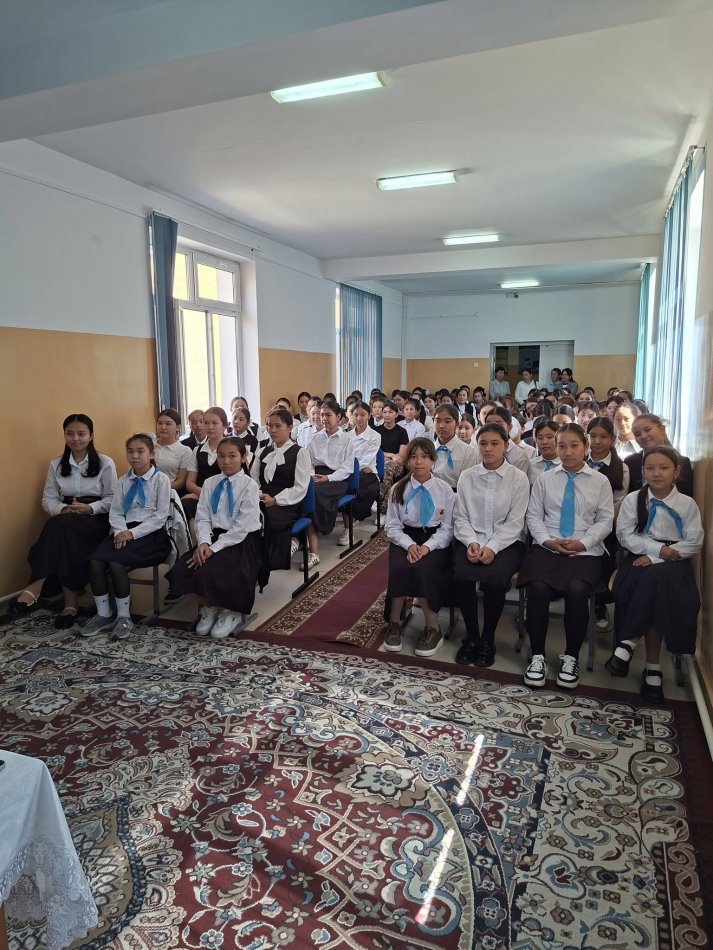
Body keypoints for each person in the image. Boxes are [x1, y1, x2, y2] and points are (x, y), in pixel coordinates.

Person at [517, 423, 614, 690]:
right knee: (538, 587)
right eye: (562, 446)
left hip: (586, 549)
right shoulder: (545, 479)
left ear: (586, 447)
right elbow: (534, 516)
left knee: (577, 589)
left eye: (574, 446)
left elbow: (605, 520)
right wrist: (547, 540)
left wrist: (583, 543)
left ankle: (571, 656)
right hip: (548, 545)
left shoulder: (600, 481)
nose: (567, 452)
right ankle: (537, 656)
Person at [605, 446, 704, 703]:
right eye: (650, 468)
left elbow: (694, 542)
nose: (656, 473)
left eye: (663, 468)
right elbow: (625, 536)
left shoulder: (687, 504)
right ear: (643, 471)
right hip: (638, 558)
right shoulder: (633, 499)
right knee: (652, 586)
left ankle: (628, 642)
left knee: (654, 580)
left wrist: (658, 557)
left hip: (674, 563)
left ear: (676, 471)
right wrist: (656, 550)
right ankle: (653, 669)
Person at [8, 414, 117, 628]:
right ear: (64, 435)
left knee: (59, 527)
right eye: (70, 433)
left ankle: (36, 588)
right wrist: (63, 508)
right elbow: (48, 499)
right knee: (63, 532)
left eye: (81, 434)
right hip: (67, 518)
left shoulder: (105, 462)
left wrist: (89, 508)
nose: (75, 439)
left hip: (96, 519)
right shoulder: (56, 464)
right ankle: (69, 606)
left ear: (91, 436)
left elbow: (113, 499)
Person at [166, 437, 262, 639]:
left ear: (243, 457)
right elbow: (203, 518)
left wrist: (213, 549)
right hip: (212, 538)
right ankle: (211, 605)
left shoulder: (249, 486)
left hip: (241, 540)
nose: (226, 461)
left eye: (232, 456)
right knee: (180, 572)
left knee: (210, 572)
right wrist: (203, 543)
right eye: (221, 456)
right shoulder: (210, 483)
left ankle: (231, 610)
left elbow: (240, 528)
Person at [453, 423, 529, 667]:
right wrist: (472, 542)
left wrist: (493, 547)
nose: (488, 449)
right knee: (462, 576)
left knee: (495, 578)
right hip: (472, 539)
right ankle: (472, 636)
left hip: (507, 543)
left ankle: (488, 638)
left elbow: (516, 522)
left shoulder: (518, 478)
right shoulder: (467, 476)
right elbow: (460, 517)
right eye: (483, 443)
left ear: (506, 446)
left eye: (495, 443)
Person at [82, 433, 171, 640]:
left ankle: (124, 617)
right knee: (95, 561)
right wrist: (121, 531)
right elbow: (115, 512)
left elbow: (160, 517)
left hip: (150, 534)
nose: (135, 456)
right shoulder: (123, 481)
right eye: (130, 452)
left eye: (140, 451)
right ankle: (103, 614)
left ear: (151, 454)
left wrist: (131, 534)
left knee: (116, 563)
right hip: (122, 530)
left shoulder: (161, 480)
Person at [381, 438, 454, 658]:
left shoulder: (444, 490)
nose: (418, 462)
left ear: (433, 460)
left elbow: (447, 528)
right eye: (413, 457)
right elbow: (392, 526)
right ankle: (394, 623)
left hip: (434, 539)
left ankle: (433, 628)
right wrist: (410, 545)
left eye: (424, 457)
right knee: (399, 567)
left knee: (424, 568)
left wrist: (427, 547)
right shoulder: (398, 489)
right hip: (405, 537)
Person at [252, 408, 311, 569]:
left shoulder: (300, 453)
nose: (273, 430)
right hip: (262, 499)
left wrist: (276, 500)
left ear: (290, 428)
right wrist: (259, 495)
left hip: (287, 503)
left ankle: (267, 561)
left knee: (266, 519)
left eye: (278, 426)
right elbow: (253, 480)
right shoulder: (262, 452)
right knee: (247, 517)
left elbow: (300, 487)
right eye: (270, 426)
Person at [306, 400, 355, 567]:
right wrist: (311, 476)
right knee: (303, 489)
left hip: (337, 478)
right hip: (316, 475)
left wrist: (328, 478)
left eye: (328, 415)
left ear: (339, 417)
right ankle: (301, 537)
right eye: (321, 415)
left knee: (313, 492)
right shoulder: (315, 438)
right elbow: (308, 462)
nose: (324, 419)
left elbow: (347, 468)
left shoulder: (346, 439)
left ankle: (318, 533)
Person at [626, 413, 694, 497]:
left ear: (662, 429)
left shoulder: (682, 462)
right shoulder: (630, 462)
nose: (643, 436)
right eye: (637, 434)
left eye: (647, 430)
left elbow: (685, 496)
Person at [182, 407, 228, 522]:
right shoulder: (197, 450)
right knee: (186, 505)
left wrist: (206, 495)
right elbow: (190, 482)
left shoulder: (232, 449)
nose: (210, 427)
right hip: (200, 494)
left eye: (214, 423)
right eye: (206, 423)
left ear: (224, 425)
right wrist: (202, 493)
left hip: (225, 496)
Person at [345, 401, 381, 540]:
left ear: (369, 416)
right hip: (350, 470)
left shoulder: (375, 435)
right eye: (355, 415)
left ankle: (356, 515)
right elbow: (345, 457)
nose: (359, 418)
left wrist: (353, 467)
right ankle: (348, 522)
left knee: (358, 482)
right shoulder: (347, 436)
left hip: (369, 472)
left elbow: (367, 459)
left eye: (362, 415)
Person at [432, 404, 478, 490]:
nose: (441, 426)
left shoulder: (468, 452)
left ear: (457, 424)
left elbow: (467, 485)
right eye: (437, 421)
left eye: (447, 421)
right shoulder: (428, 449)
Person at [377, 400, 410, 512]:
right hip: (379, 462)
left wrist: (387, 458)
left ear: (396, 414)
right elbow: (375, 452)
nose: (387, 415)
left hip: (398, 465)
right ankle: (383, 511)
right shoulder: (376, 431)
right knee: (389, 474)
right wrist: (390, 455)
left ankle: (378, 497)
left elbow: (401, 457)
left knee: (390, 465)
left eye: (390, 412)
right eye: (385, 412)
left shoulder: (402, 432)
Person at [154, 409, 193, 493]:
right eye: (160, 423)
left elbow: (180, 482)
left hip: (168, 492)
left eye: (168, 424)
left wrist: (157, 490)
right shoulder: (149, 445)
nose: (163, 427)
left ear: (178, 427)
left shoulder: (185, 451)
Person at [527, 418, 561, 484]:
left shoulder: (566, 465)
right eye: (540, 438)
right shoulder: (530, 465)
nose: (544, 442)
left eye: (549, 437)